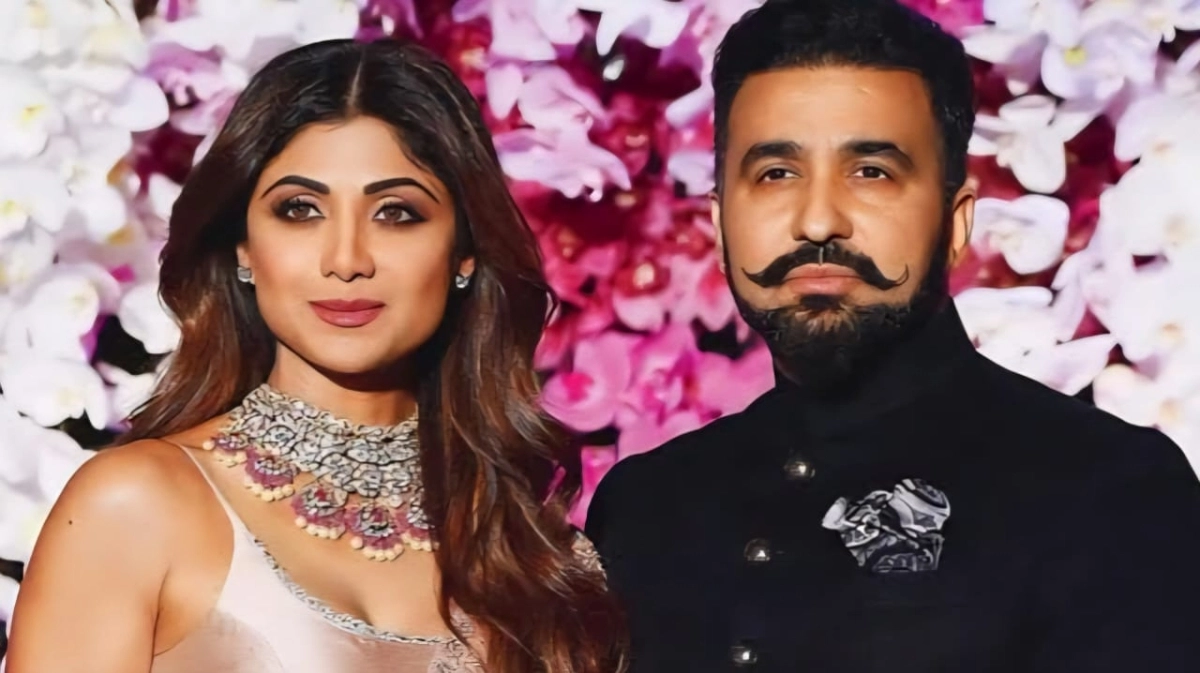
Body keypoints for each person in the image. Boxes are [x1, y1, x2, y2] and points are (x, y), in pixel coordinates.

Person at [585, 0, 1200, 671]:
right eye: (775, 174)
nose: (818, 220)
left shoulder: (1110, 489)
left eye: (871, 172)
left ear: (956, 222)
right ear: (719, 220)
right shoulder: (645, 505)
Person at [8, 39, 625, 673]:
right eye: (299, 210)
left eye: (396, 213)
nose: (346, 260)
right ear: (244, 247)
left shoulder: (538, 554)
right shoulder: (136, 505)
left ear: (464, 252)